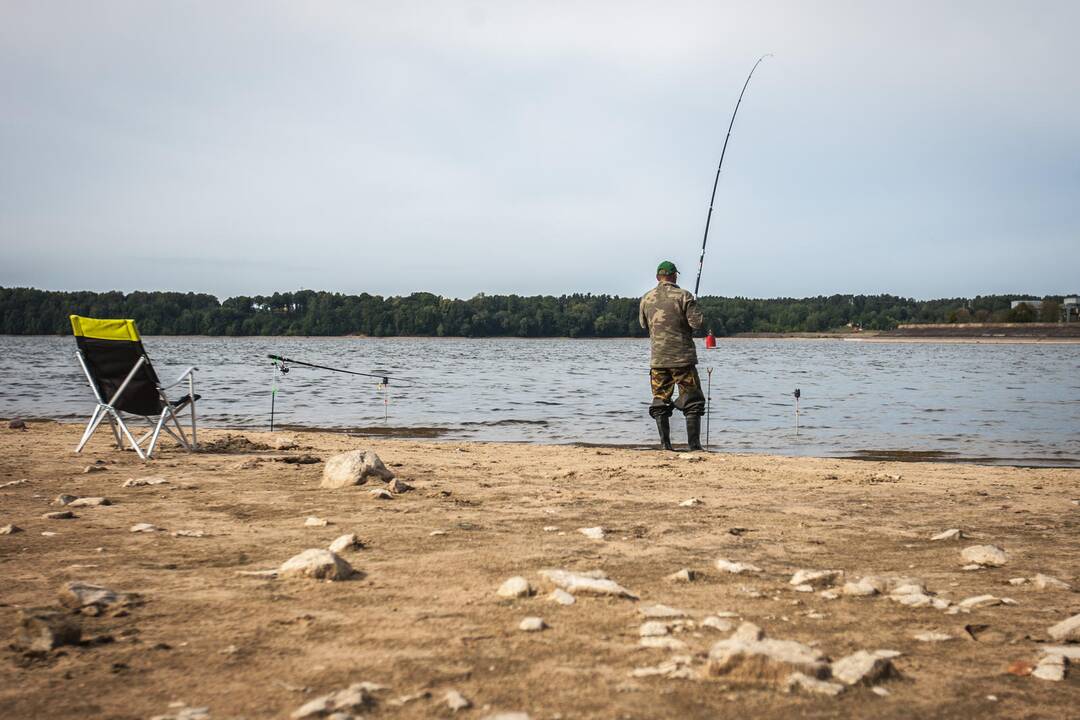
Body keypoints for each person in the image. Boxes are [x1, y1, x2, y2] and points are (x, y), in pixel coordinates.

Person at [639, 260, 706, 451]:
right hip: (682, 358)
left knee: (660, 400)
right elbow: (697, 324)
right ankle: (694, 446)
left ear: (657, 277)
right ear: (674, 275)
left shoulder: (646, 298)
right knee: (692, 400)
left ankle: (665, 446)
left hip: (658, 359)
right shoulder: (684, 296)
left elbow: (644, 325)